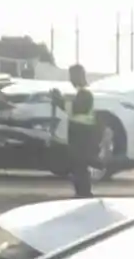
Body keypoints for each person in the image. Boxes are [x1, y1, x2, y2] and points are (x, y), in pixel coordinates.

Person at [51, 65, 99, 199]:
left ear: (79, 76)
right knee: (78, 166)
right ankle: (81, 192)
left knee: (80, 165)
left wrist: (59, 101)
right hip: (79, 133)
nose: (71, 80)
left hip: (82, 134)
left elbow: (77, 109)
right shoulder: (81, 92)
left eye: (72, 76)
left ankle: (84, 193)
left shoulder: (85, 93)